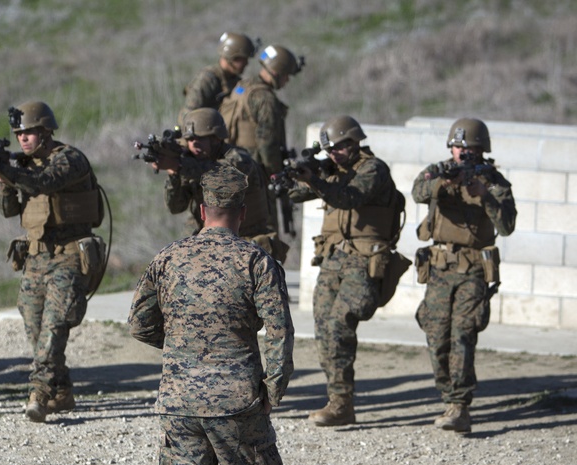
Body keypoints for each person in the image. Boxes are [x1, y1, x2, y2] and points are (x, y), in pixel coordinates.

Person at [128, 163, 329, 465]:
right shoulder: (255, 260)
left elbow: (138, 324)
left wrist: (184, 350)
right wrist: (273, 389)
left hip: (179, 403)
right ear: (241, 211)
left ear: (201, 209)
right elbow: (280, 331)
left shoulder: (169, 257)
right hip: (238, 402)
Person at [0, 101, 103, 422]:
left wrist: (4, 169)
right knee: (35, 328)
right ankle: (61, 391)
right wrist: (2, 181)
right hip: (35, 256)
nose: (23, 139)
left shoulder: (69, 159)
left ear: (46, 131)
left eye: (29, 132)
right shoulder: (24, 166)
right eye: (19, 134)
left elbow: (43, 182)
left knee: (54, 327)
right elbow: (8, 211)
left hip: (70, 255)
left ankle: (39, 393)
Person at [287, 115, 403, 426]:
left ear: (354, 141)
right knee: (324, 329)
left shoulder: (372, 169)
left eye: (339, 147)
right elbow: (294, 194)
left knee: (339, 325)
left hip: (364, 262)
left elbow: (350, 198)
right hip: (333, 260)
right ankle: (339, 402)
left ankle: (341, 402)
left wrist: (318, 178)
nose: (335, 154)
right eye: (331, 150)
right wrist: (303, 174)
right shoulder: (334, 171)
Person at [412, 118, 516, 433]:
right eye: (457, 147)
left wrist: (483, 195)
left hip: (472, 268)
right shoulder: (439, 170)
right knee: (435, 333)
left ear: (480, 150)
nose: (461, 153)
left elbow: (507, 226)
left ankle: (460, 405)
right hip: (439, 266)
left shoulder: (492, 179)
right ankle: (448, 396)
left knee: (462, 333)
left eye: (467, 148)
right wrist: (444, 184)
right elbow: (418, 191)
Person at [151, 107, 287, 261]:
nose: (193, 144)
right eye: (189, 140)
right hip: (210, 242)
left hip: (246, 243)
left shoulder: (239, 160)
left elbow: (218, 174)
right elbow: (176, 207)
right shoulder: (193, 164)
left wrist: (179, 165)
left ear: (216, 138)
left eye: (199, 139)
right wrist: (174, 174)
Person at [220, 44, 303, 235]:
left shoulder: (243, 87)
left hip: (232, 165)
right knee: (265, 232)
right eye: (286, 75)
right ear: (276, 72)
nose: (287, 80)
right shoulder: (266, 99)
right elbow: (267, 144)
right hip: (256, 173)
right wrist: (276, 175)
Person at [179, 32, 258, 124]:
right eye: (243, 59)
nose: (246, 63)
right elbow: (189, 115)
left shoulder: (234, 80)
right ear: (232, 57)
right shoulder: (207, 79)